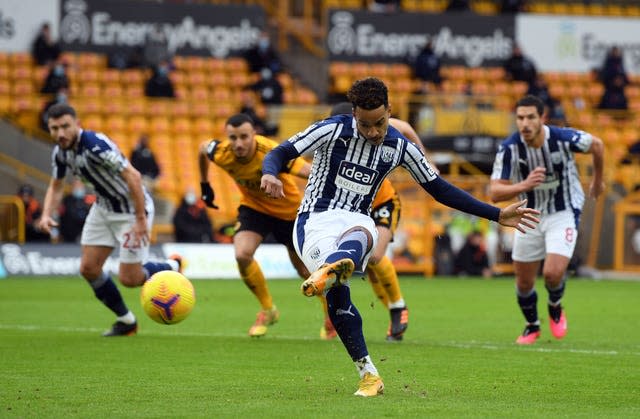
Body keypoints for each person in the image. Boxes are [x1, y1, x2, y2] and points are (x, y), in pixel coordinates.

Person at [260, 77, 540, 396]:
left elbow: (440, 189)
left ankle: (340, 289)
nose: (373, 132)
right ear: (353, 114)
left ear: (390, 111)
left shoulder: (400, 147)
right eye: (365, 125)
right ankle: (364, 363)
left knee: (365, 234)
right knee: (339, 297)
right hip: (314, 222)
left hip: (356, 219)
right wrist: (270, 172)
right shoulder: (331, 129)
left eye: (379, 123)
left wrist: (497, 213)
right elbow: (280, 152)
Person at [37, 104, 183, 337]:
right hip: (103, 209)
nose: (60, 133)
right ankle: (126, 321)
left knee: (130, 278)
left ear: (77, 124)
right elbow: (56, 185)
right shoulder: (61, 152)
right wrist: (46, 214)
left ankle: (172, 266)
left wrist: (140, 219)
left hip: (130, 211)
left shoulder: (96, 146)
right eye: (54, 128)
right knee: (88, 269)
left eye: (65, 126)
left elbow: (133, 176)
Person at [489, 94, 604, 345]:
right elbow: (495, 192)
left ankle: (555, 305)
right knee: (524, 281)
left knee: (552, 273)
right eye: (520, 118)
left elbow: (597, 145)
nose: (525, 123)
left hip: (563, 211)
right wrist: (525, 184)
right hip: (528, 215)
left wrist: (597, 179)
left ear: (543, 118)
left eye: (531, 117)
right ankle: (532, 326)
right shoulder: (509, 148)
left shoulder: (562, 138)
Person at [325, 102, 435, 342]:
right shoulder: (328, 137)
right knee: (367, 265)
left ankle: (398, 306)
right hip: (350, 210)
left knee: (374, 256)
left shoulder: (370, 127)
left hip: (383, 202)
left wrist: (424, 159)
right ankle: (337, 314)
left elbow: (404, 126)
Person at [198, 113, 311, 337]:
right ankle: (268, 309)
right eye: (233, 137)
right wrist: (204, 184)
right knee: (242, 254)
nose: (239, 143)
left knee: (305, 271)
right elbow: (202, 148)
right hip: (255, 208)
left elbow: (308, 171)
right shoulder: (222, 153)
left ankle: (330, 319)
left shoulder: (270, 151)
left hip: (288, 213)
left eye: (244, 137)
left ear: (254, 135)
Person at [58, 178, 95, 243]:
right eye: (77, 185)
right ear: (73, 186)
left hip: (86, 233)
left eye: (80, 185)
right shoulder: (67, 199)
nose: (79, 187)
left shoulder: (88, 199)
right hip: (69, 234)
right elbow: (66, 215)